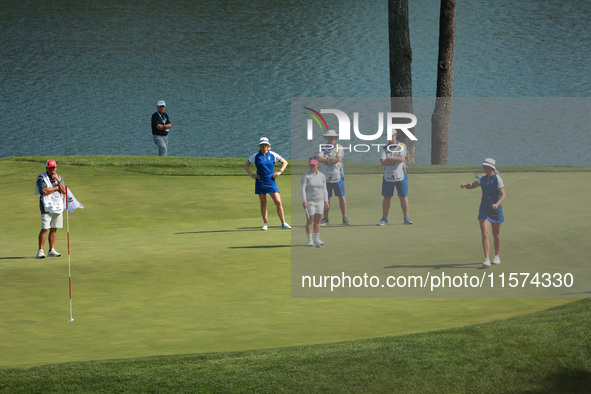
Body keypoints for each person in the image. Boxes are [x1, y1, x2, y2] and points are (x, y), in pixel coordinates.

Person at [461, 158, 506, 268]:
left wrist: (497, 204)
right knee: (485, 233)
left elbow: (503, 195)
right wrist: (465, 185)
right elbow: (472, 185)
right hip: (484, 209)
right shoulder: (483, 179)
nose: (483, 167)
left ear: (491, 167)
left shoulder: (498, 179)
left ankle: (496, 256)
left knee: (496, 234)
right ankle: (486, 259)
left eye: (485, 166)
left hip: (495, 210)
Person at [244, 137, 291, 231]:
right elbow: (246, 165)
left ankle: (283, 223)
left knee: (278, 202)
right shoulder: (256, 156)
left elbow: (285, 162)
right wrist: (251, 175)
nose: (263, 146)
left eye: (265, 145)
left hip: (270, 180)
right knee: (263, 202)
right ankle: (265, 223)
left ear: (268, 145)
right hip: (260, 180)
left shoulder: (273, 154)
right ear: (259, 146)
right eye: (262, 145)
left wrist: (280, 172)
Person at [377, 131, 413, 226]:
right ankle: (385, 219)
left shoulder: (402, 146)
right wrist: (394, 160)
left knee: (403, 196)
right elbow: (383, 163)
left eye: (391, 135)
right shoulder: (384, 148)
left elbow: (401, 159)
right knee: (387, 197)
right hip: (388, 175)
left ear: (395, 135)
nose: (389, 137)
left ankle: (406, 218)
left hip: (400, 174)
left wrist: (389, 158)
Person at [315, 130, 350, 225]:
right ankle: (325, 218)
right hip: (325, 176)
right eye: (329, 137)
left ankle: (344, 217)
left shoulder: (339, 147)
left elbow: (339, 159)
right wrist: (330, 160)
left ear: (335, 138)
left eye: (333, 137)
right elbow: (319, 158)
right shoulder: (322, 147)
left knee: (341, 196)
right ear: (326, 138)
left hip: (337, 175)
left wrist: (326, 160)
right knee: (327, 198)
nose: (331, 139)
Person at [35, 160, 66, 259]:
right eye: (50, 168)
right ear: (46, 168)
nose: (52, 170)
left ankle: (51, 250)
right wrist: (57, 188)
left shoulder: (60, 178)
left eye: (54, 168)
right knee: (45, 228)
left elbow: (64, 191)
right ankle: (40, 251)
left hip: (57, 206)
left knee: (54, 228)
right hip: (46, 207)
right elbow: (44, 191)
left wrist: (59, 181)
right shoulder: (41, 178)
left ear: (56, 168)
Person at [301, 158, 329, 247]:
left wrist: (326, 201)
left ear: (317, 165)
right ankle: (310, 240)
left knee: (317, 221)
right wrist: (304, 201)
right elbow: (303, 190)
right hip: (310, 202)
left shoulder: (322, 176)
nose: (311, 166)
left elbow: (324, 189)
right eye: (310, 165)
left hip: (320, 201)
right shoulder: (306, 176)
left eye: (313, 165)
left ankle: (317, 239)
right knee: (310, 221)